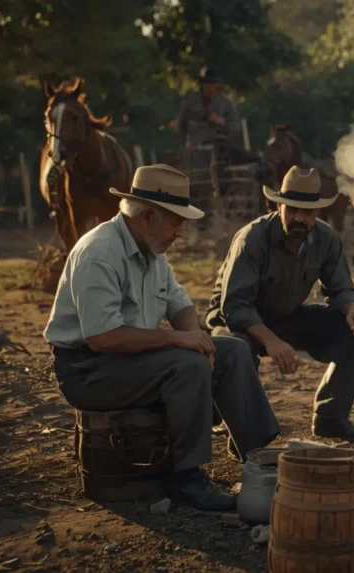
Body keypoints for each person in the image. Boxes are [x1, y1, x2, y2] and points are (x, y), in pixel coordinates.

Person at [44, 164, 280, 511]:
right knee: (187, 364)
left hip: (130, 361)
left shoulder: (153, 254)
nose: (179, 232)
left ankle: (258, 458)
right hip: (88, 370)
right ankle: (187, 477)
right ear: (147, 217)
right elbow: (102, 339)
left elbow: (179, 304)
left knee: (232, 350)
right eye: (175, 221)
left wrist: (197, 337)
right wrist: (180, 342)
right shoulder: (98, 253)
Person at [205, 166, 354, 443]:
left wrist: (353, 310)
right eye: (292, 209)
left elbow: (340, 289)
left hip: (286, 317)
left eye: (307, 212)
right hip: (234, 324)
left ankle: (331, 419)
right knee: (237, 347)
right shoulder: (251, 238)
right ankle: (244, 434)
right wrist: (272, 342)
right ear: (278, 205)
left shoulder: (326, 238)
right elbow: (235, 307)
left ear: (317, 212)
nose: (300, 217)